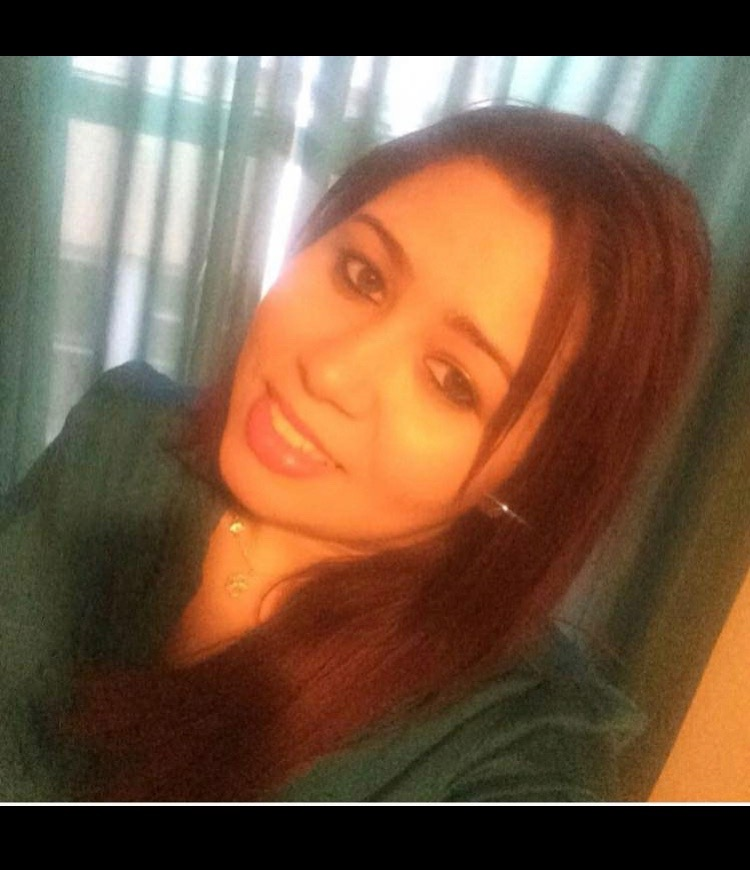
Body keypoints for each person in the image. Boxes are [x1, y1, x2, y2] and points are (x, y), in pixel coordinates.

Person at [0, 106, 709, 802]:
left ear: (534, 476)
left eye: (453, 380)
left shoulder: (506, 750)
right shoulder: (125, 431)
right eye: (362, 274)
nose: (329, 372)